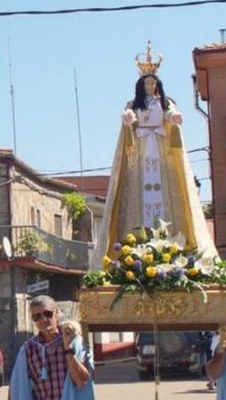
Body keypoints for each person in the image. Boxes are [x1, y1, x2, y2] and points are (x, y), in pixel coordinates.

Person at [92, 49, 216, 266]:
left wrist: (174, 116)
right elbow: (127, 119)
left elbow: (170, 115)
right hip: (140, 153)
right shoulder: (132, 104)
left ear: (157, 84)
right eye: (147, 83)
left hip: (160, 151)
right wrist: (127, 119)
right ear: (141, 85)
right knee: (138, 192)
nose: (150, 87)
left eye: (153, 83)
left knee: (167, 192)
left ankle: (171, 241)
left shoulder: (166, 103)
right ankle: (137, 239)